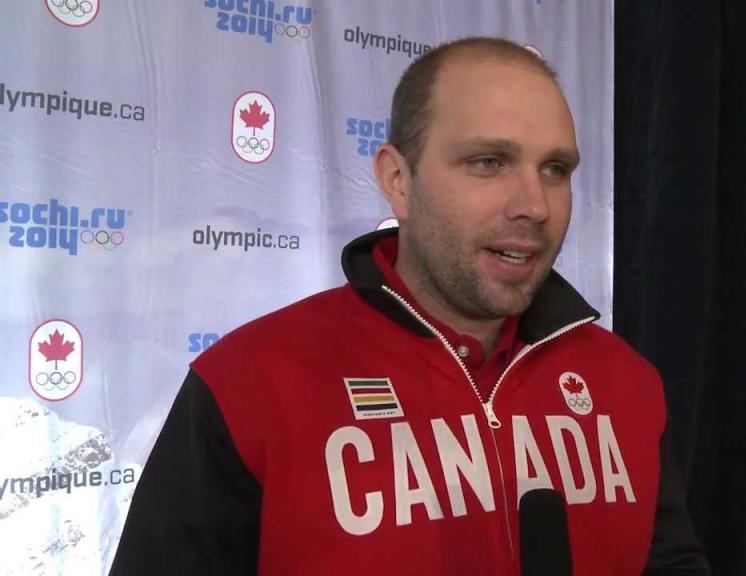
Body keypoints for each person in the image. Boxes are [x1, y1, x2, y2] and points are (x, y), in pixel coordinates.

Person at [110, 37, 710, 575]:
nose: (535, 204)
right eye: (489, 162)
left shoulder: (624, 382)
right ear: (398, 179)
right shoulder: (249, 384)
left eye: (554, 169)